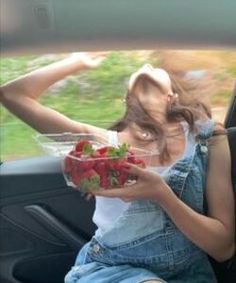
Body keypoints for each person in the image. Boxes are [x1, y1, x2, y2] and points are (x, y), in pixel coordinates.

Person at [0, 53, 235, 283]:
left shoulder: (207, 138)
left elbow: (223, 247)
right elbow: (12, 95)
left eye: (154, 68)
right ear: (127, 100)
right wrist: (78, 61)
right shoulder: (103, 143)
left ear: (170, 95)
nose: (145, 65)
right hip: (113, 268)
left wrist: (161, 194)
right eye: (136, 73)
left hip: (189, 272)